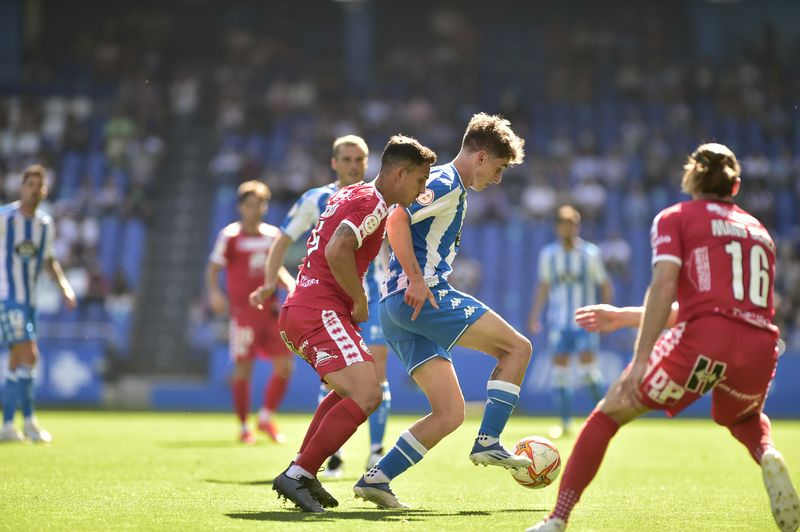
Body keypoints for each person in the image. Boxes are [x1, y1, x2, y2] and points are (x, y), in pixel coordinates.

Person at [527, 143, 800, 532]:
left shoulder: (676, 218)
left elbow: (664, 287)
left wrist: (641, 359)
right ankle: (767, 451)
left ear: (689, 178)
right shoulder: (760, 232)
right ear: (735, 186)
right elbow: (726, 308)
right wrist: (623, 317)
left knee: (608, 413)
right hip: (761, 344)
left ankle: (556, 519)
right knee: (740, 416)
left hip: (704, 339)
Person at [354, 113, 532, 509]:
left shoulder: (451, 188)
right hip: (422, 297)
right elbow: (397, 217)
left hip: (397, 308)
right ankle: (489, 442)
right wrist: (417, 278)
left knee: (449, 413)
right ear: (481, 156)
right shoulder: (445, 182)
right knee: (517, 349)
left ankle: (377, 478)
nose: (498, 179)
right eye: (499, 168)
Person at [271, 135, 436, 513]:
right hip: (319, 310)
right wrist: (360, 298)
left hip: (305, 308)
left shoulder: (354, 193)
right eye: (420, 180)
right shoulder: (372, 203)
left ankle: (304, 473)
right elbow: (336, 248)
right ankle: (299, 473)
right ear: (400, 173)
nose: (422, 188)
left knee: (350, 391)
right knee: (369, 393)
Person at [250, 135, 391, 474]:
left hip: (369, 296)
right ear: (334, 163)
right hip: (328, 301)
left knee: (376, 375)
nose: (354, 166)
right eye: (347, 159)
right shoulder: (318, 199)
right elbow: (283, 239)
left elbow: (382, 251)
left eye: (360, 159)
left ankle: (375, 452)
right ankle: (332, 456)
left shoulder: (376, 199)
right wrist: (271, 283)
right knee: (332, 382)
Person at [207, 180, 296, 444]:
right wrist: (214, 292)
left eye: (260, 204)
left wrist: (291, 286)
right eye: (250, 205)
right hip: (244, 313)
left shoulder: (272, 235)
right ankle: (245, 425)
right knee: (243, 368)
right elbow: (213, 267)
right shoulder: (230, 236)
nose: (255, 210)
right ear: (240, 207)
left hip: (270, 311)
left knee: (285, 366)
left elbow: (275, 268)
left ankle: (266, 417)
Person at [0, 164, 77, 442]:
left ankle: (8, 425)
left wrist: (65, 287)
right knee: (31, 354)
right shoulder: (5, 218)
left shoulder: (45, 224)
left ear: (45, 191)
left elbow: (49, 260)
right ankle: (30, 421)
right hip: (8, 299)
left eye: (38, 185)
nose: (34, 190)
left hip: (30, 301)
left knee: (15, 361)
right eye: (29, 184)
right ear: (21, 188)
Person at [528, 205, 613, 438]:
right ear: (558, 227)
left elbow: (604, 284)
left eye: (573, 222)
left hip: (585, 322)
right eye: (565, 223)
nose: (569, 227)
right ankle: (565, 423)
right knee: (560, 374)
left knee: (587, 372)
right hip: (559, 322)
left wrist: (605, 315)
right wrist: (535, 315)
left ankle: (605, 419)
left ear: (579, 226)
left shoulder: (590, 254)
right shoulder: (549, 255)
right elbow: (544, 285)